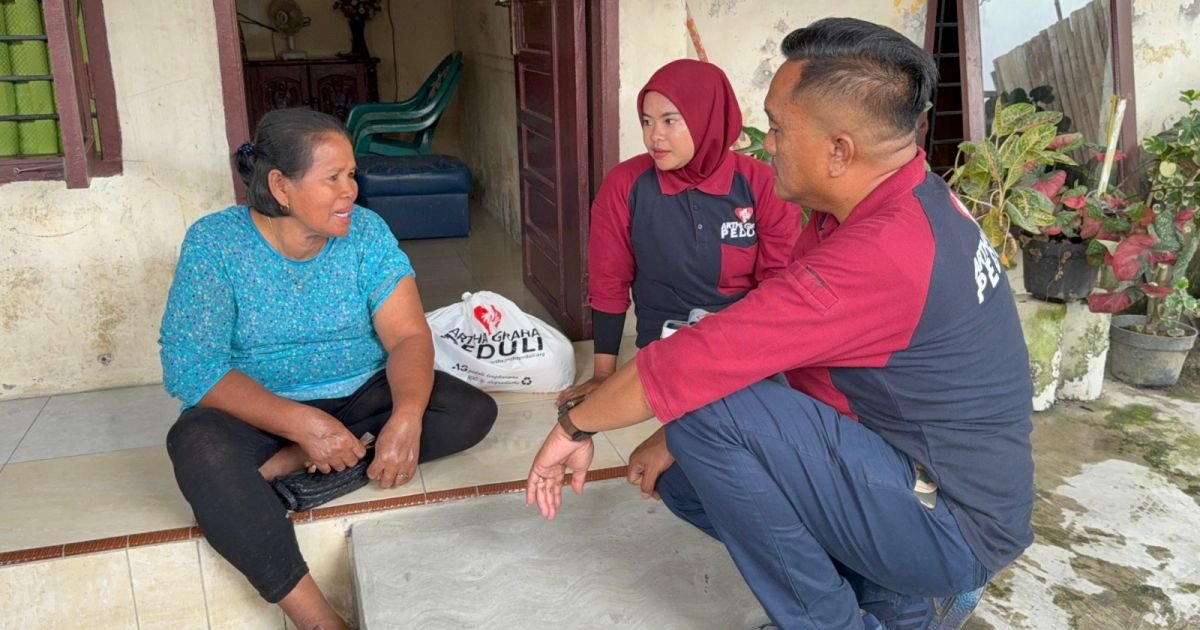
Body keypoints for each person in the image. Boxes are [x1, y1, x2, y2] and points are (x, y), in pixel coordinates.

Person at [527, 18, 1034, 630]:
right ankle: (897, 603)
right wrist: (669, 433)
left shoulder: (883, 251)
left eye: (779, 127)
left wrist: (574, 426)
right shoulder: (893, 200)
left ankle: (852, 615)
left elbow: (695, 360)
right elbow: (787, 360)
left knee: (703, 408)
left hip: (951, 522)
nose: (768, 143)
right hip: (911, 465)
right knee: (690, 477)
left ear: (839, 149)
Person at [160, 107, 497, 630]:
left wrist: (406, 417)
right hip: (261, 409)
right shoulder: (216, 244)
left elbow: (408, 334)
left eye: (352, 175)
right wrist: (302, 425)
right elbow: (190, 366)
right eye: (333, 178)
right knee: (198, 450)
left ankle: (296, 465)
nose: (351, 192)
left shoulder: (366, 233)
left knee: (468, 410)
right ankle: (319, 620)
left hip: (360, 393)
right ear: (281, 185)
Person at [554, 58, 800, 409]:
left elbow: (778, 283)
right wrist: (604, 376)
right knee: (698, 423)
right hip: (664, 347)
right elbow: (609, 280)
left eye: (670, 120)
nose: (655, 136)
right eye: (647, 121)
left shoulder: (762, 183)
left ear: (707, 119)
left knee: (772, 421)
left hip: (741, 342)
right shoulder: (627, 184)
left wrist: (748, 352)